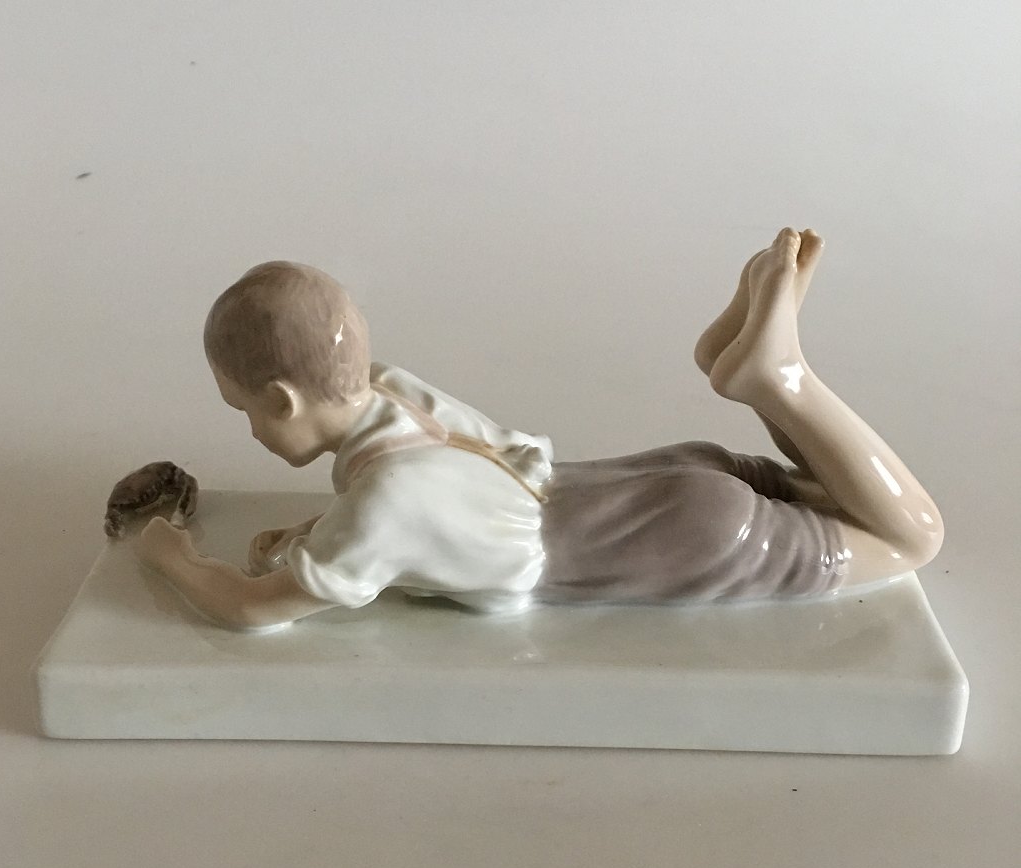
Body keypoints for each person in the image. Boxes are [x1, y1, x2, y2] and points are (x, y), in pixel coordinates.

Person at [135, 231, 943, 630]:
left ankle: (780, 378)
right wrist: (315, 535)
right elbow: (430, 514)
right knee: (840, 497)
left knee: (912, 538)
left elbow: (251, 609)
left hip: (672, 535)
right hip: (643, 491)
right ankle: (760, 376)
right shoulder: (394, 392)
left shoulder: (383, 505)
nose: (249, 430)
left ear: (282, 401)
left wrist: (170, 556)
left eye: (243, 410)